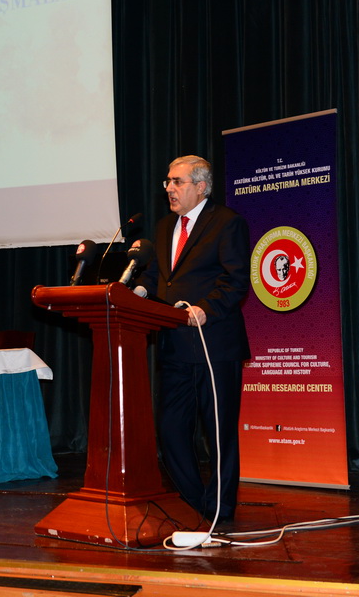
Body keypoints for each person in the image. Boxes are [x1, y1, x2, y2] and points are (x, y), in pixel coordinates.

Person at [135, 154, 251, 523]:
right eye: (167, 182)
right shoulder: (164, 227)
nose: (169, 188)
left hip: (214, 343)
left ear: (201, 187)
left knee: (218, 432)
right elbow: (157, 275)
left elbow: (236, 280)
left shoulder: (227, 223)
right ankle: (196, 501)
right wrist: (136, 292)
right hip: (173, 344)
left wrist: (206, 309)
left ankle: (220, 508)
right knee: (171, 430)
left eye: (177, 182)